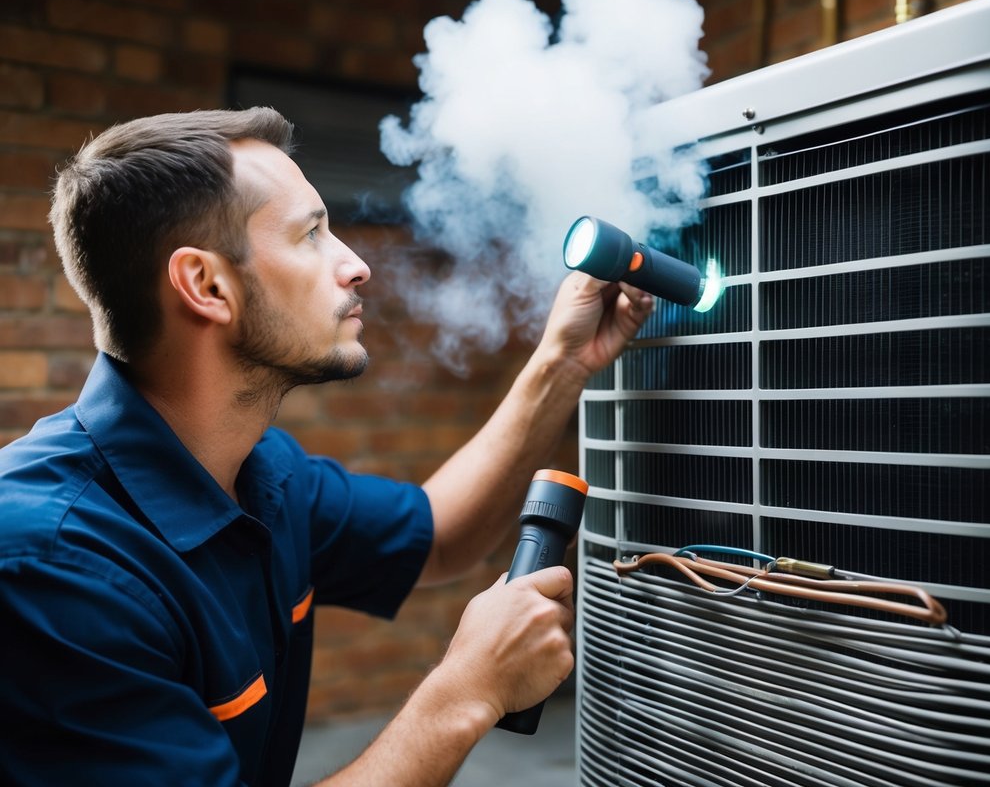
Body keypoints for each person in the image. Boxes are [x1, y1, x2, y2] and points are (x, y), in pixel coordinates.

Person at [0, 108, 652, 786]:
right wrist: (465, 691)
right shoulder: (52, 569)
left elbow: (440, 536)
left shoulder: (260, 472)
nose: (356, 265)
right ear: (205, 285)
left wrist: (563, 362)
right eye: (311, 235)